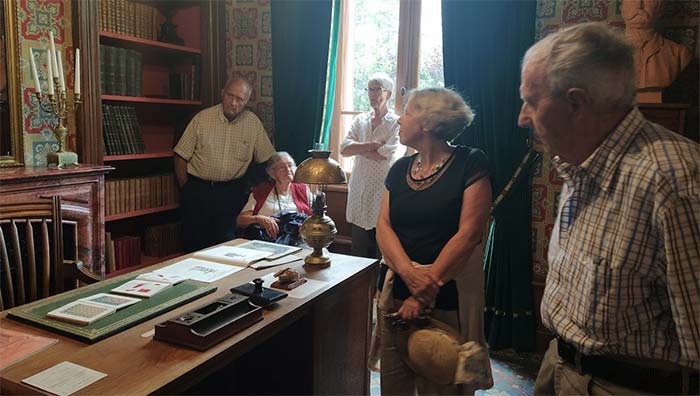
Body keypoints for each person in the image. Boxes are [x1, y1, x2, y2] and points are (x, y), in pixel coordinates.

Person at [518, 22, 699, 395]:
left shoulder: (674, 182)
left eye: (532, 101)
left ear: (576, 103)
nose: (522, 117)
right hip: (559, 363)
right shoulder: (578, 160)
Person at [376, 87, 493, 395]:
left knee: (442, 388)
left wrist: (423, 293)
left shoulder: (471, 163)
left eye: (408, 112)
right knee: (394, 386)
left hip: (447, 299)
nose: (400, 119)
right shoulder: (400, 167)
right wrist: (410, 275)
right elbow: (383, 226)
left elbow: (469, 234)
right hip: (396, 295)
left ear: (428, 123)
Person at [174, 78, 275, 252]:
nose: (234, 103)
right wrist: (186, 188)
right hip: (199, 190)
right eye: (230, 96)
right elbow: (180, 155)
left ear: (246, 101)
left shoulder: (252, 123)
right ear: (223, 93)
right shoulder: (202, 119)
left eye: (240, 99)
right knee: (194, 245)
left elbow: (268, 158)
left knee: (226, 246)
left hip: (232, 193)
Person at [340, 72, 404, 259]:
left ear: (388, 94)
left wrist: (358, 148)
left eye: (377, 89)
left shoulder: (396, 122)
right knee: (358, 252)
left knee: (382, 250)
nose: (372, 94)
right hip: (359, 189)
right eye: (370, 89)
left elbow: (389, 153)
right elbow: (344, 149)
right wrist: (372, 145)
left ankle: (379, 289)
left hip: (383, 191)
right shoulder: (360, 120)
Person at [236, 151, 312, 244]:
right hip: (264, 241)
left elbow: (317, 218)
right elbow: (240, 221)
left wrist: (307, 226)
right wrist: (259, 219)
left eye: (290, 165)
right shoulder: (260, 191)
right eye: (282, 167)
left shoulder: (304, 190)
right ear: (271, 172)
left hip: (297, 241)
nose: (288, 169)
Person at [621, 0, 691, 89]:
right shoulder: (603, 51)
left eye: (648, 1)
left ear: (660, 10)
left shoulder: (679, 55)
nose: (639, 6)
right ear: (622, 9)